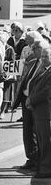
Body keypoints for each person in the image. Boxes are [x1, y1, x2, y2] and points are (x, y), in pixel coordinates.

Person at [12, 40, 45, 170]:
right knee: (27, 131)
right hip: (26, 100)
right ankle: (31, 158)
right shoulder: (33, 63)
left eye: (35, 48)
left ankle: (38, 160)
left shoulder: (46, 65)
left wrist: (32, 99)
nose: (33, 51)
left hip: (36, 103)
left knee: (36, 131)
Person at [26, 45, 51, 178]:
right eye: (42, 56)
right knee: (42, 142)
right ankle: (43, 167)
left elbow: (46, 92)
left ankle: (46, 170)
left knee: (46, 142)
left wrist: (32, 100)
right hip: (39, 112)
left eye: (46, 56)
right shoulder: (44, 70)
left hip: (46, 113)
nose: (43, 58)